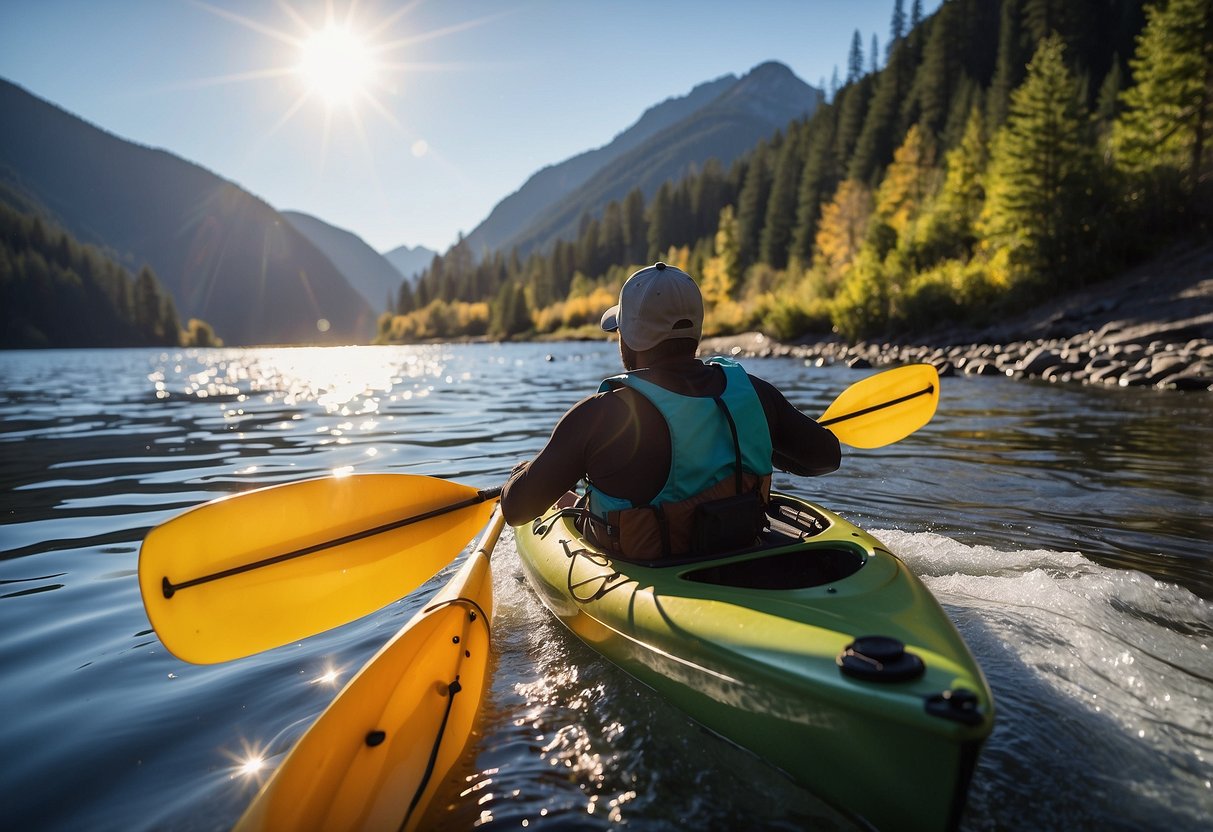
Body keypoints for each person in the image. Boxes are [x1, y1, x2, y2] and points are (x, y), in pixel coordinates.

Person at [500, 262, 840, 560]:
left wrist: (522, 473)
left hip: (652, 576)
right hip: (741, 551)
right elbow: (826, 458)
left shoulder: (600, 415)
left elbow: (516, 509)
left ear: (629, 336)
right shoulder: (755, 394)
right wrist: (762, 434)